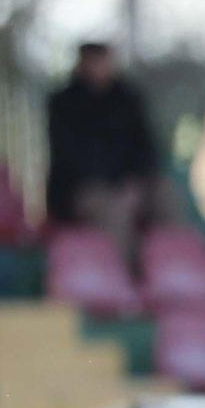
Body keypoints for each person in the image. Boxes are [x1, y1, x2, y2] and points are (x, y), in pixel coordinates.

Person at [45, 41, 165, 251]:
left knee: (165, 196)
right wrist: (116, 188)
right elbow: (70, 158)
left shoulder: (128, 100)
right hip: (82, 190)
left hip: (130, 185)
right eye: (93, 61)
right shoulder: (64, 104)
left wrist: (134, 183)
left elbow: (147, 148)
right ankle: (124, 275)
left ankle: (177, 270)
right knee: (113, 211)